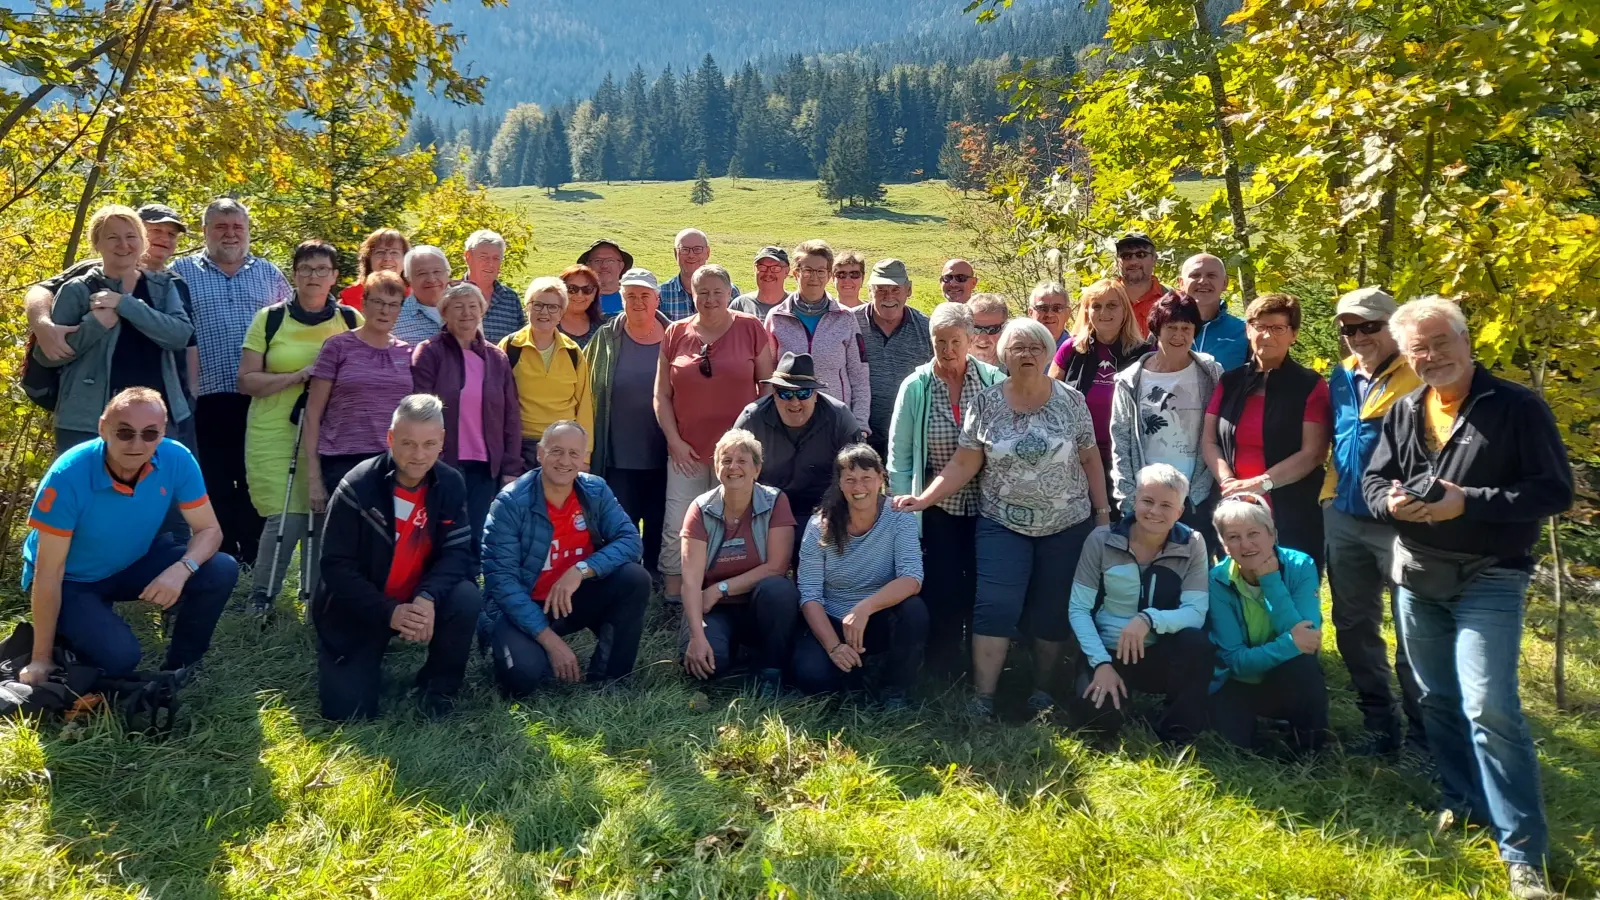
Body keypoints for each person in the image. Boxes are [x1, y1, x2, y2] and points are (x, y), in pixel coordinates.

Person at [1361, 298, 1572, 900]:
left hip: (1491, 575)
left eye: (1439, 343)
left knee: (1490, 707)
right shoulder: (1404, 410)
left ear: (1465, 339)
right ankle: (1462, 800)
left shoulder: (1516, 407)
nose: (1431, 357)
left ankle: (1523, 855)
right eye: (1418, 349)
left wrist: (1468, 501)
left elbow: (1554, 490)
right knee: (1438, 698)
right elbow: (1375, 479)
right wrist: (1389, 504)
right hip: (1418, 573)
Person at [896, 319, 1112, 722]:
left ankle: (1043, 692)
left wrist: (1102, 516)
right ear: (1004, 355)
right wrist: (923, 499)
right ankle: (983, 697)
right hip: (1001, 524)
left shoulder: (1070, 400)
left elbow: (1090, 460)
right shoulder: (987, 402)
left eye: (1035, 348)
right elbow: (965, 462)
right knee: (995, 606)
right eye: (1018, 348)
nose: (1027, 355)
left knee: (1052, 610)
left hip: (1066, 523)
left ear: (1048, 353)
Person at [17, 388, 237, 686]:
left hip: (131, 561)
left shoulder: (177, 458)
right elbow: (48, 572)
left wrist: (181, 569)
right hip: (71, 580)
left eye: (149, 434)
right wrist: (39, 658)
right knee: (120, 659)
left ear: (162, 433)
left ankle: (182, 668)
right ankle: (61, 639)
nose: (136, 444)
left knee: (220, 568)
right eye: (124, 432)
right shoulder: (68, 475)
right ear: (102, 428)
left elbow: (210, 530)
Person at [312, 394, 481, 720]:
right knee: (348, 713)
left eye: (429, 444)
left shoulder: (450, 483)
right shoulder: (357, 486)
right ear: (390, 438)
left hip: (418, 599)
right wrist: (388, 611)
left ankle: (438, 687)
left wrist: (427, 597)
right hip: (361, 607)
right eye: (408, 443)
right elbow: (335, 567)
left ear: (442, 442)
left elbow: (457, 552)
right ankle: (353, 658)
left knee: (466, 597)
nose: (419, 455)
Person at [1321, 287, 1425, 758]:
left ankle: (1425, 738)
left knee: (1414, 630)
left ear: (1394, 326)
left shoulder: (1420, 375)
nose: (1358, 336)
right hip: (1343, 514)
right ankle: (1379, 726)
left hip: (1404, 524)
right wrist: (1327, 497)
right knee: (1353, 623)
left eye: (1369, 326)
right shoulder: (1341, 376)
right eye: (1349, 328)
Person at [238, 240, 363, 615]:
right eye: (306, 268)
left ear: (335, 276)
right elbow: (246, 380)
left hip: (332, 433)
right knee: (285, 514)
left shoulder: (352, 320)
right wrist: (299, 376)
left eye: (322, 269)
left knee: (323, 513)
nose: (313, 276)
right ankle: (262, 597)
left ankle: (315, 598)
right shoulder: (270, 319)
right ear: (293, 274)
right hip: (274, 429)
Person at [481, 421, 652, 694]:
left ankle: (610, 678)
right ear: (539, 453)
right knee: (525, 679)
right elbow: (501, 583)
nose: (565, 461)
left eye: (574, 454)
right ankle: (510, 646)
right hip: (523, 605)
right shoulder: (509, 503)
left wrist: (581, 570)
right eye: (556, 451)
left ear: (584, 458)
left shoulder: (595, 490)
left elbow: (630, 541)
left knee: (634, 578)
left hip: (571, 598)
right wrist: (551, 642)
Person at [886, 302, 1005, 674]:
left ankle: (982, 662)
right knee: (944, 585)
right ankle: (943, 664)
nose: (948, 350)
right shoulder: (917, 386)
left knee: (984, 584)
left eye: (955, 341)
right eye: (940, 342)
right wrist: (906, 511)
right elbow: (900, 456)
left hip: (987, 506)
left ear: (970, 339)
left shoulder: (993, 382)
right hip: (936, 507)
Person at [26, 203, 201, 453]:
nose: (124, 244)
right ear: (97, 242)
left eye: (131, 237)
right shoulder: (79, 286)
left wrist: (125, 305)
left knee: (157, 491)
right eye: (112, 237)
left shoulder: (165, 287)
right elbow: (48, 355)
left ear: (141, 241)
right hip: (88, 420)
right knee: (88, 491)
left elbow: (181, 336)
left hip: (158, 420)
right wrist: (94, 325)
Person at [172, 198, 291, 564]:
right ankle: (220, 556)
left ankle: (256, 557)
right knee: (214, 480)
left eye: (237, 227)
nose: (230, 234)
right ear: (205, 231)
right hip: (204, 398)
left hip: (259, 398)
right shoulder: (182, 272)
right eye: (221, 227)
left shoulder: (269, 273)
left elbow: (293, 324)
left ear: (248, 231)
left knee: (255, 478)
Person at [655, 263, 776, 603]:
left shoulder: (751, 328)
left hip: (738, 455)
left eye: (717, 292)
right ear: (692, 295)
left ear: (730, 293)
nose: (710, 299)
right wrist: (674, 441)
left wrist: (752, 443)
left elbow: (767, 387)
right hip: (687, 451)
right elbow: (661, 394)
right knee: (678, 523)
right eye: (702, 292)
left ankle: (728, 594)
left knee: (733, 523)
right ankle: (675, 597)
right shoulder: (675, 332)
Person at [1067, 464, 1211, 741]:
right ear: (1134, 500)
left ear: (1180, 511)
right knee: (1097, 725)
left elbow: (1196, 612)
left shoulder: (1193, 543)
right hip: (1108, 650)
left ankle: (1178, 730)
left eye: (1166, 505)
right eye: (1147, 501)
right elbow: (1079, 608)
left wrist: (1148, 619)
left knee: (1197, 644)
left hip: (1160, 648)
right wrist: (1100, 663)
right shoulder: (1101, 539)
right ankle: (1115, 698)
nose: (1154, 511)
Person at [1201, 293, 1331, 570]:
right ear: (1248, 330)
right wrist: (1229, 483)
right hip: (1234, 507)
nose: (1267, 335)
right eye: (1260, 327)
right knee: (1238, 596)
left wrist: (1260, 484)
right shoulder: (1230, 381)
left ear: (1293, 334)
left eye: (1277, 328)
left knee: (1290, 595)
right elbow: (1209, 440)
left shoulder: (1310, 385)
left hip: (1292, 510)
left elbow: (1314, 453)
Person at [791, 445, 926, 706]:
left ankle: (895, 688)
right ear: (839, 484)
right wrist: (833, 646)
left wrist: (865, 608)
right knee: (811, 679)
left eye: (866, 478)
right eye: (850, 479)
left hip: (878, 617)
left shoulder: (900, 518)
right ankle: (853, 669)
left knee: (915, 610)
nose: (858, 487)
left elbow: (912, 578)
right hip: (832, 619)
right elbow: (809, 595)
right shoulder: (820, 525)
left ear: (881, 479)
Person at [679, 429, 801, 694]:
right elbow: (690, 582)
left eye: (742, 461)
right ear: (716, 467)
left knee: (778, 589)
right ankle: (728, 652)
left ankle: (772, 670)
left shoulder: (775, 501)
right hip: (714, 609)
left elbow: (777, 567)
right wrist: (696, 636)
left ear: (757, 469)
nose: (733, 467)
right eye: (726, 460)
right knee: (706, 667)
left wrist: (720, 588)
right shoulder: (700, 509)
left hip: (758, 605)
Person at [1206, 492, 1328, 754]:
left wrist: (1271, 581)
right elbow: (1234, 660)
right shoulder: (1216, 580)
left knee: (1304, 667)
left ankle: (1310, 749)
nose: (1246, 545)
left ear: (1272, 534)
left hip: (1287, 673)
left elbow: (1308, 639)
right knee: (1236, 748)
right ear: (1224, 545)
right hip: (1238, 682)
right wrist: (1290, 644)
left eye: (1254, 533)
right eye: (1233, 537)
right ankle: (1262, 725)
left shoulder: (1300, 565)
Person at [1109, 294, 1223, 556]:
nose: (1179, 335)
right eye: (1171, 328)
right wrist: (1129, 500)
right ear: (1156, 330)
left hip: (1196, 496)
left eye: (1186, 328)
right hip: (1147, 500)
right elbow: (1121, 442)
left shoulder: (1211, 373)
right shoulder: (1131, 381)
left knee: (1195, 576)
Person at [410, 283, 524, 544]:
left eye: (473, 306)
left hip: (484, 466)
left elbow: (510, 416)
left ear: (482, 312)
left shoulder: (497, 358)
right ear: (444, 314)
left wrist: (511, 466)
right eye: (458, 307)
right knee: (440, 535)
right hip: (442, 461)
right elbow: (419, 410)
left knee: (474, 536)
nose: (466, 313)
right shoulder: (429, 352)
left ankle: (468, 584)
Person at [304, 270, 415, 515]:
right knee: (346, 545)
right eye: (378, 302)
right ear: (364, 304)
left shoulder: (407, 354)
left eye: (393, 304)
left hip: (393, 463)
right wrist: (313, 476)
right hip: (342, 461)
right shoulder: (338, 347)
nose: (385, 311)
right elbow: (313, 413)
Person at [586, 267, 671, 579]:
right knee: (622, 519)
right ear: (620, 299)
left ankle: (656, 577)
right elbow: (586, 387)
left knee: (660, 518)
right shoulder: (606, 337)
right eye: (630, 295)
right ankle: (623, 579)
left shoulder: (677, 335)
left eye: (644, 296)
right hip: (619, 451)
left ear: (657, 299)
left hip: (664, 449)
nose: (638, 302)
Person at [1050, 279, 1150, 516]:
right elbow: (1048, 397)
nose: (1104, 312)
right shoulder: (1071, 349)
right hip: (1077, 458)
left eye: (1112, 305)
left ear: (1125, 310)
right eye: (1096, 306)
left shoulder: (1145, 354)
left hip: (1128, 460)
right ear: (1087, 311)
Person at [732, 352, 863, 532]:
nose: (794, 402)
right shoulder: (752, 419)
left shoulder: (839, 417)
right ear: (774, 394)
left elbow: (860, 473)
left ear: (815, 395)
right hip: (766, 513)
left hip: (827, 512)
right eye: (785, 393)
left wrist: (839, 514)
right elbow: (732, 472)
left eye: (803, 393)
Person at [765, 240, 871, 430]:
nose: (814, 277)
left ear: (829, 276)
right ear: (795, 273)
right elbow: (767, 375)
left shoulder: (845, 318)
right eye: (807, 270)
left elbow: (859, 377)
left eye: (821, 271)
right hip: (789, 421)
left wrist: (860, 425)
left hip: (836, 421)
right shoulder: (776, 317)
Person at [502, 276, 594, 468]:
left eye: (553, 307)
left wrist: (584, 457)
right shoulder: (510, 347)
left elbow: (584, 404)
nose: (544, 312)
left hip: (563, 444)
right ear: (527, 307)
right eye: (538, 305)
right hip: (519, 445)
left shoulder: (572, 351)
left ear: (562, 313)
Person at [854, 259, 931, 458]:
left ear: (909, 290)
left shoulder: (926, 329)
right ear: (869, 291)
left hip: (911, 436)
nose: (888, 297)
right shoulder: (849, 323)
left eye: (895, 290)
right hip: (858, 434)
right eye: (881, 289)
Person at [1178, 253, 1248, 372]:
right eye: (1195, 275)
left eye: (1211, 275)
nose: (1203, 281)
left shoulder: (1246, 330)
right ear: (1181, 283)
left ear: (1225, 283)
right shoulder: (1163, 327)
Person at [659, 228, 741, 321]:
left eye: (697, 249)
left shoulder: (729, 291)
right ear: (675, 253)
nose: (691, 255)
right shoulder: (662, 294)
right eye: (684, 249)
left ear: (708, 252)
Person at [463, 230, 528, 343]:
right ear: (468, 256)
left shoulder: (511, 299)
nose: (490, 264)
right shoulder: (451, 296)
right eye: (484, 257)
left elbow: (521, 342)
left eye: (496, 258)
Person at [1111, 232, 1174, 335]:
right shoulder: (1102, 297)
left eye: (1141, 255)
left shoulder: (1171, 298)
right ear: (1118, 261)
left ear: (1154, 259)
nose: (1133, 262)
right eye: (1126, 256)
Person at [392, 245, 452, 344]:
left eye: (437, 271)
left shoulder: (469, 305)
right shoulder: (394, 318)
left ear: (448, 273)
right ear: (408, 279)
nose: (431, 279)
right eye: (422, 273)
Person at [339, 228, 409, 312]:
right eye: (380, 252)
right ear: (368, 259)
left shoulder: (418, 298)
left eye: (394, 252)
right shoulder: (349, 301)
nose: (387, 258)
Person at [577, 238, 634, 317]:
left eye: (611, 261)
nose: (604, 266)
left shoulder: (636, 297)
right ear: (588, 266)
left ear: (621, 266)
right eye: (597, 260)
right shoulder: (574, 298)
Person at [730, 246, 788, 321]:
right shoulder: (740, 305)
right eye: (762, 267)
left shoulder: (795, 306)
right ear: (755, 269)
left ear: (786, 271)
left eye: (775, 268)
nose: (768, 273)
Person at [557, 263, 604, 348]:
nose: (579, 295)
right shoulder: (546, 324)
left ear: (595, 293)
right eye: (572, 288)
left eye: (587, 289)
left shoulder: (604, 328)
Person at [967, 293, 1009, 368]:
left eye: (992, 329)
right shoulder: (947, 366)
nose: (983, 339)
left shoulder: (1016, 368)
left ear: (1005, 329)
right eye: (975, 329)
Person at [1027, 281, 1072, 348]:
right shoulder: (1019, 349)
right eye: (1042, 308)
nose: (1049, 314)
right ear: (1030, 312)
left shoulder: (1080, 351)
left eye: (1057, 308)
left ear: (1068, 313)